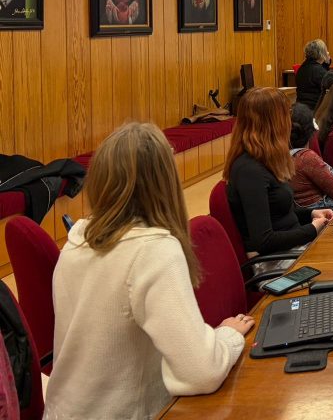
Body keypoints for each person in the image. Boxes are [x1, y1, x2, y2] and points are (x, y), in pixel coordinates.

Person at [45, 123, 253, 420]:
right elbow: (201, 372)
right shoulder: (154, 250)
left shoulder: (75, 241)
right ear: (165, 181)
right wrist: (228, 336)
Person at [224, 87, 333, 255]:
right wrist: (312, 229)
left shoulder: (265, 159)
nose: (289, 121)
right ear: (272, 122)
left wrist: (311, 213)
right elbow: (264, 241)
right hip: (277, 260)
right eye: (286, 114)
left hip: (292, 248)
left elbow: (279, 212)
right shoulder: (249, 170)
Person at [289, 103, 333, 209]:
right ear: (311, 129)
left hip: (310, 212)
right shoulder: (306, 158)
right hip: (326, 211)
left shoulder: (281, 156)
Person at [295, 38, 331, 109]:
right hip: (314, 109)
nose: (328, 52)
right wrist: (326, 60)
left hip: (301, 107)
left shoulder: (303, 67)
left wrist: (326, 63)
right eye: (325, 50)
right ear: (321, 53)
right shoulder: (318, 70)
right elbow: (330, 87)